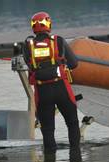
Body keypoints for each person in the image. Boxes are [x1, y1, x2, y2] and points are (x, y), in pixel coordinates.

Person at [23, 12, 80, 152]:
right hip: (61, 88)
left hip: (42, 91)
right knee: (72, 123)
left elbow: (28, 64)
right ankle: (75, 158)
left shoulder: (27, 45)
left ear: (33, 27)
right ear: (48, 24)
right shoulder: (58, 41)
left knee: (47, 130)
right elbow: (74, 64)